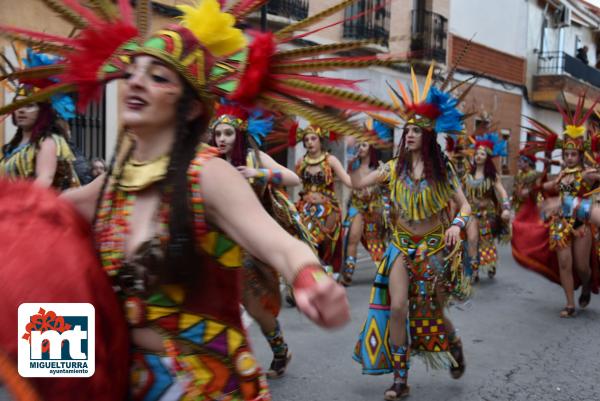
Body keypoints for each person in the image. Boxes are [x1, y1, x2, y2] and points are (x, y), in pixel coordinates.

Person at [0, 0, 400, 399]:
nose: (136, 83)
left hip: (203, 383)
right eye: (133, 73)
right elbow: (37, 221)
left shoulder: (206, 174)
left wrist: (309, 279)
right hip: (121, 379)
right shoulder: (112, 185)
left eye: (158, 77)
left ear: (191, 106)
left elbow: (278, 244)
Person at [352, 66, 471, 400]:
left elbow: (465, 207)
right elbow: (359, 183)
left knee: (432, 311)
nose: (410, 134)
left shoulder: (443, 170)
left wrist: (457, 227)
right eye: (407, 129)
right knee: (399, 307)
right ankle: (401, 380)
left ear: (429, 134)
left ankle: (455, 344)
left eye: (417, 129)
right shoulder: (394, 168)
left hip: (434, 248)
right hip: (401, 248)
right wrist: (347, 165)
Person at [209, 102, 310, 378]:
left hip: (252, 243)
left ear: (239, 134)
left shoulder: (255, 158)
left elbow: (292, 177)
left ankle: (280, 350)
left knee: (257, 308)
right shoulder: (208, 162)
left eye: (228, 134)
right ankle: (223, 363)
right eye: (218, 134)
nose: (222, 139)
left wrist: (259, 174)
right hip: (218, 242)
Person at [522, 101, 600, 318]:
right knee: (565, 264)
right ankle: (569, 304)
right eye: (566, 154)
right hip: (559, 223)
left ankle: (586, 282)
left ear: (580, 156)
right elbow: (545, 186)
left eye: (573, 154)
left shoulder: (586, 173)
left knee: (582, 266)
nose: (569, 158)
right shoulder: (561, 176)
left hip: (581, 223)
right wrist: (532, 189)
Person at [339, 118, 392, 286]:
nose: (360, 148)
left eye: (364, 145)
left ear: (371, 149)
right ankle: (348, 273)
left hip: (374, 210)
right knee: (352, 237)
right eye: (359, 144)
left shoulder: (378, 170)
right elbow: (351, 184)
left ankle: (384, 270)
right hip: (356, 207)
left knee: (374, 241)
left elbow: (388, 188)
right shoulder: (353, 167)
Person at [294, 125, 353, 275]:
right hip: (305, 208)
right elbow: (293, 181)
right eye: (306, 139)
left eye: (313, 138)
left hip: (327, 208)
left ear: (320, 141)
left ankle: (328, 270)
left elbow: (347, 179)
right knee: (304, 239)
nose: (309, 142)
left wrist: (364, 181)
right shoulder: (301, 162)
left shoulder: (330, 160)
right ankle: (308, 270)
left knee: (326, 239)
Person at [464, 133, 511, 281]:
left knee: (485, 240)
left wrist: (506, 208)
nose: (478, 156)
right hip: (472, 213)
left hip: (487, 213)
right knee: (472, 239)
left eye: (482, 153)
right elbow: (461, 195)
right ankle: (474, 271)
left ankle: (490, 264)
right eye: (476, 153)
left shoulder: (492, 176)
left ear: (487, 157)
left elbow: (502, 191)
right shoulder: (467, 176)